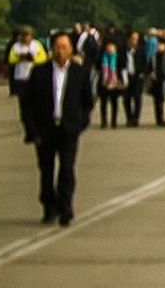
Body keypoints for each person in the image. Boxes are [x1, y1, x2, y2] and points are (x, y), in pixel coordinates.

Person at [19, 31, 94, 226]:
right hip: (45, 130)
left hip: (68, 129)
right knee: (46, 170)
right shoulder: (39, 72)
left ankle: (66, 207)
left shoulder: (80, 73)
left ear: (71, 49)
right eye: (58, 47)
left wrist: (81, 124)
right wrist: (32, 131)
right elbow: (27, 103)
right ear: (51, 49)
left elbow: (88, 102)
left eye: (65, 47)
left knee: (67, 170)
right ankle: (49, 205)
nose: (61, 51)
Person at [7, 27, 49, 99]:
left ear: (31, 36)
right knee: (22, 99)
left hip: (34, 76)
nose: (25, 37)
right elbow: (11, 59)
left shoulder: (37, 45)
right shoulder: (16, 46)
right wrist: (19, 58)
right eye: (23, 35)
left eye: (27, 35)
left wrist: (33, 59)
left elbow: (44, 58)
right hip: (21, 76)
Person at [95, 39, 127, 129]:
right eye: (108, 46)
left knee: (114, 102)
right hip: (103, 82)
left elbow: (123, 69)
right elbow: (97, 70)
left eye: (112, 46)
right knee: (103, 102)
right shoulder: (102, 57)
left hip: (115, 83)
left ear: (115, 48)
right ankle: (104, 121)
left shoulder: (119, 57)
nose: (110, 48)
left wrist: (124, 81)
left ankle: (114, 121)